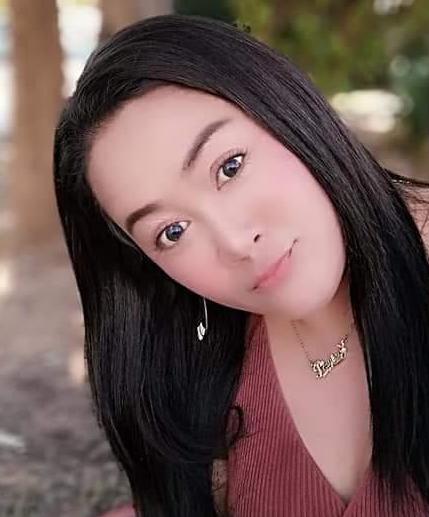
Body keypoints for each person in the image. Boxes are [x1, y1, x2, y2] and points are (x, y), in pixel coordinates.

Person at [53, 13, 429, 517]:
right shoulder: (215, 374)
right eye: (172, 232)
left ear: (288, 110)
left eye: (229, 167)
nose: (234, 241)